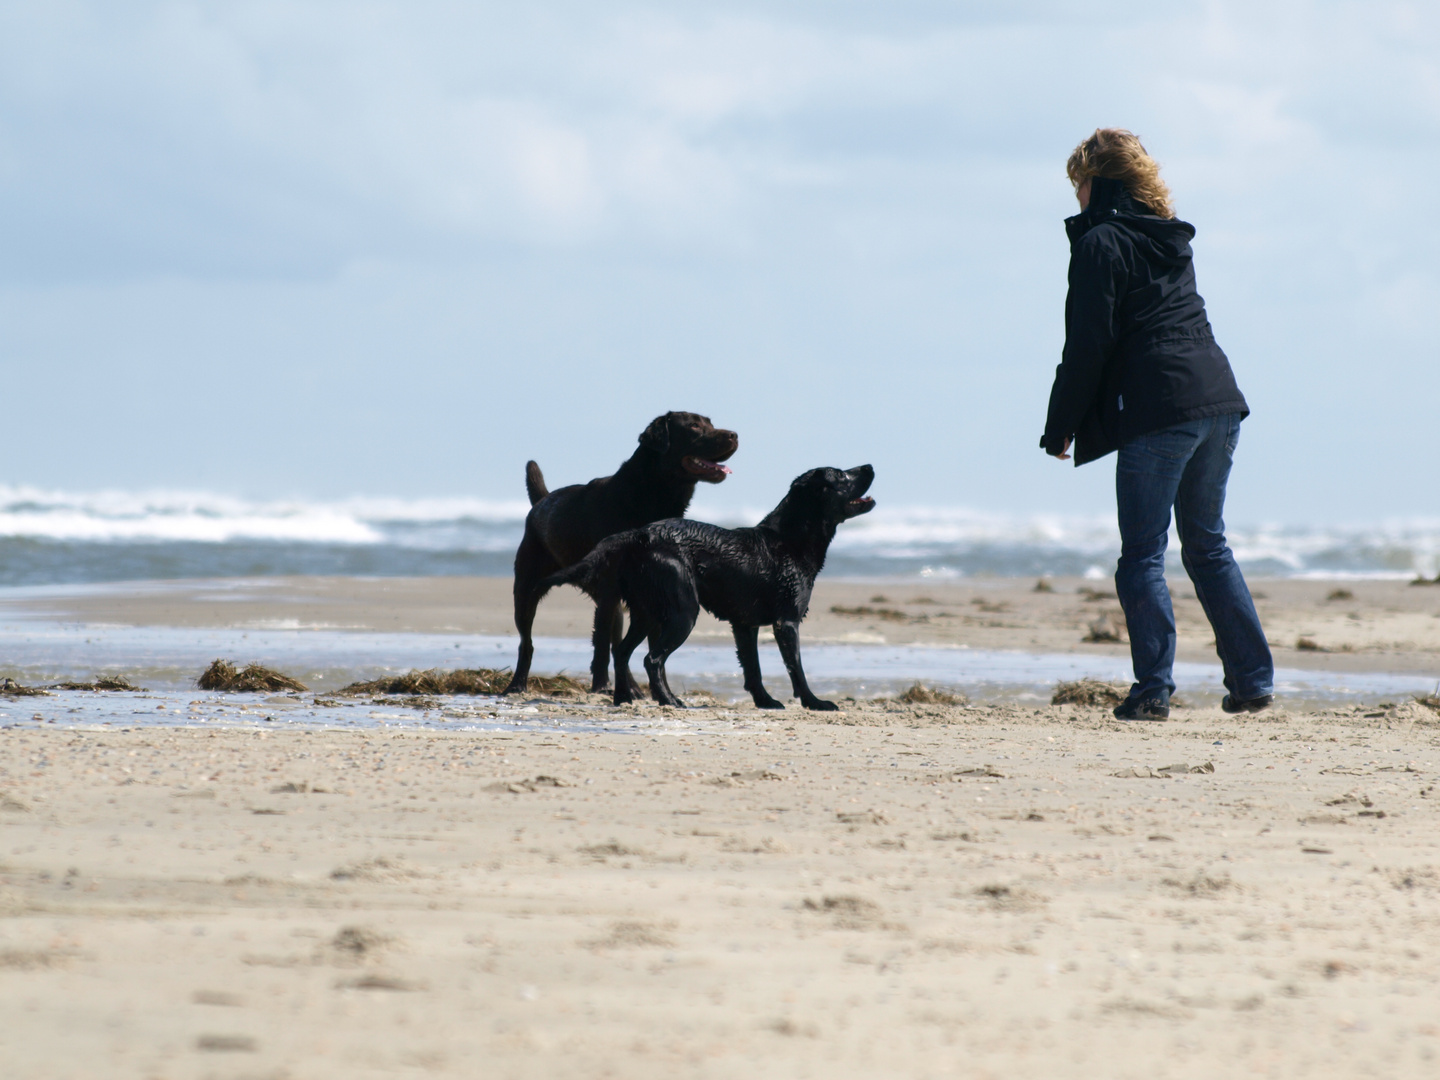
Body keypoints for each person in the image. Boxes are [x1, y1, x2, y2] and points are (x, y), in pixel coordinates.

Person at [1041, 128, 1274, 720]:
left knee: (1142, 555)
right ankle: (1252, 681)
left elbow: (1088, 344)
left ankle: (1152, 691)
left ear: (1101, 183)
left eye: (1080, 184)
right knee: (1207, 547)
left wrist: (1060, 423)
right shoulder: (1171, 239)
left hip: (1161, 410)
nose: (1076, 197)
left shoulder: (1102, 243)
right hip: (1218, 401)